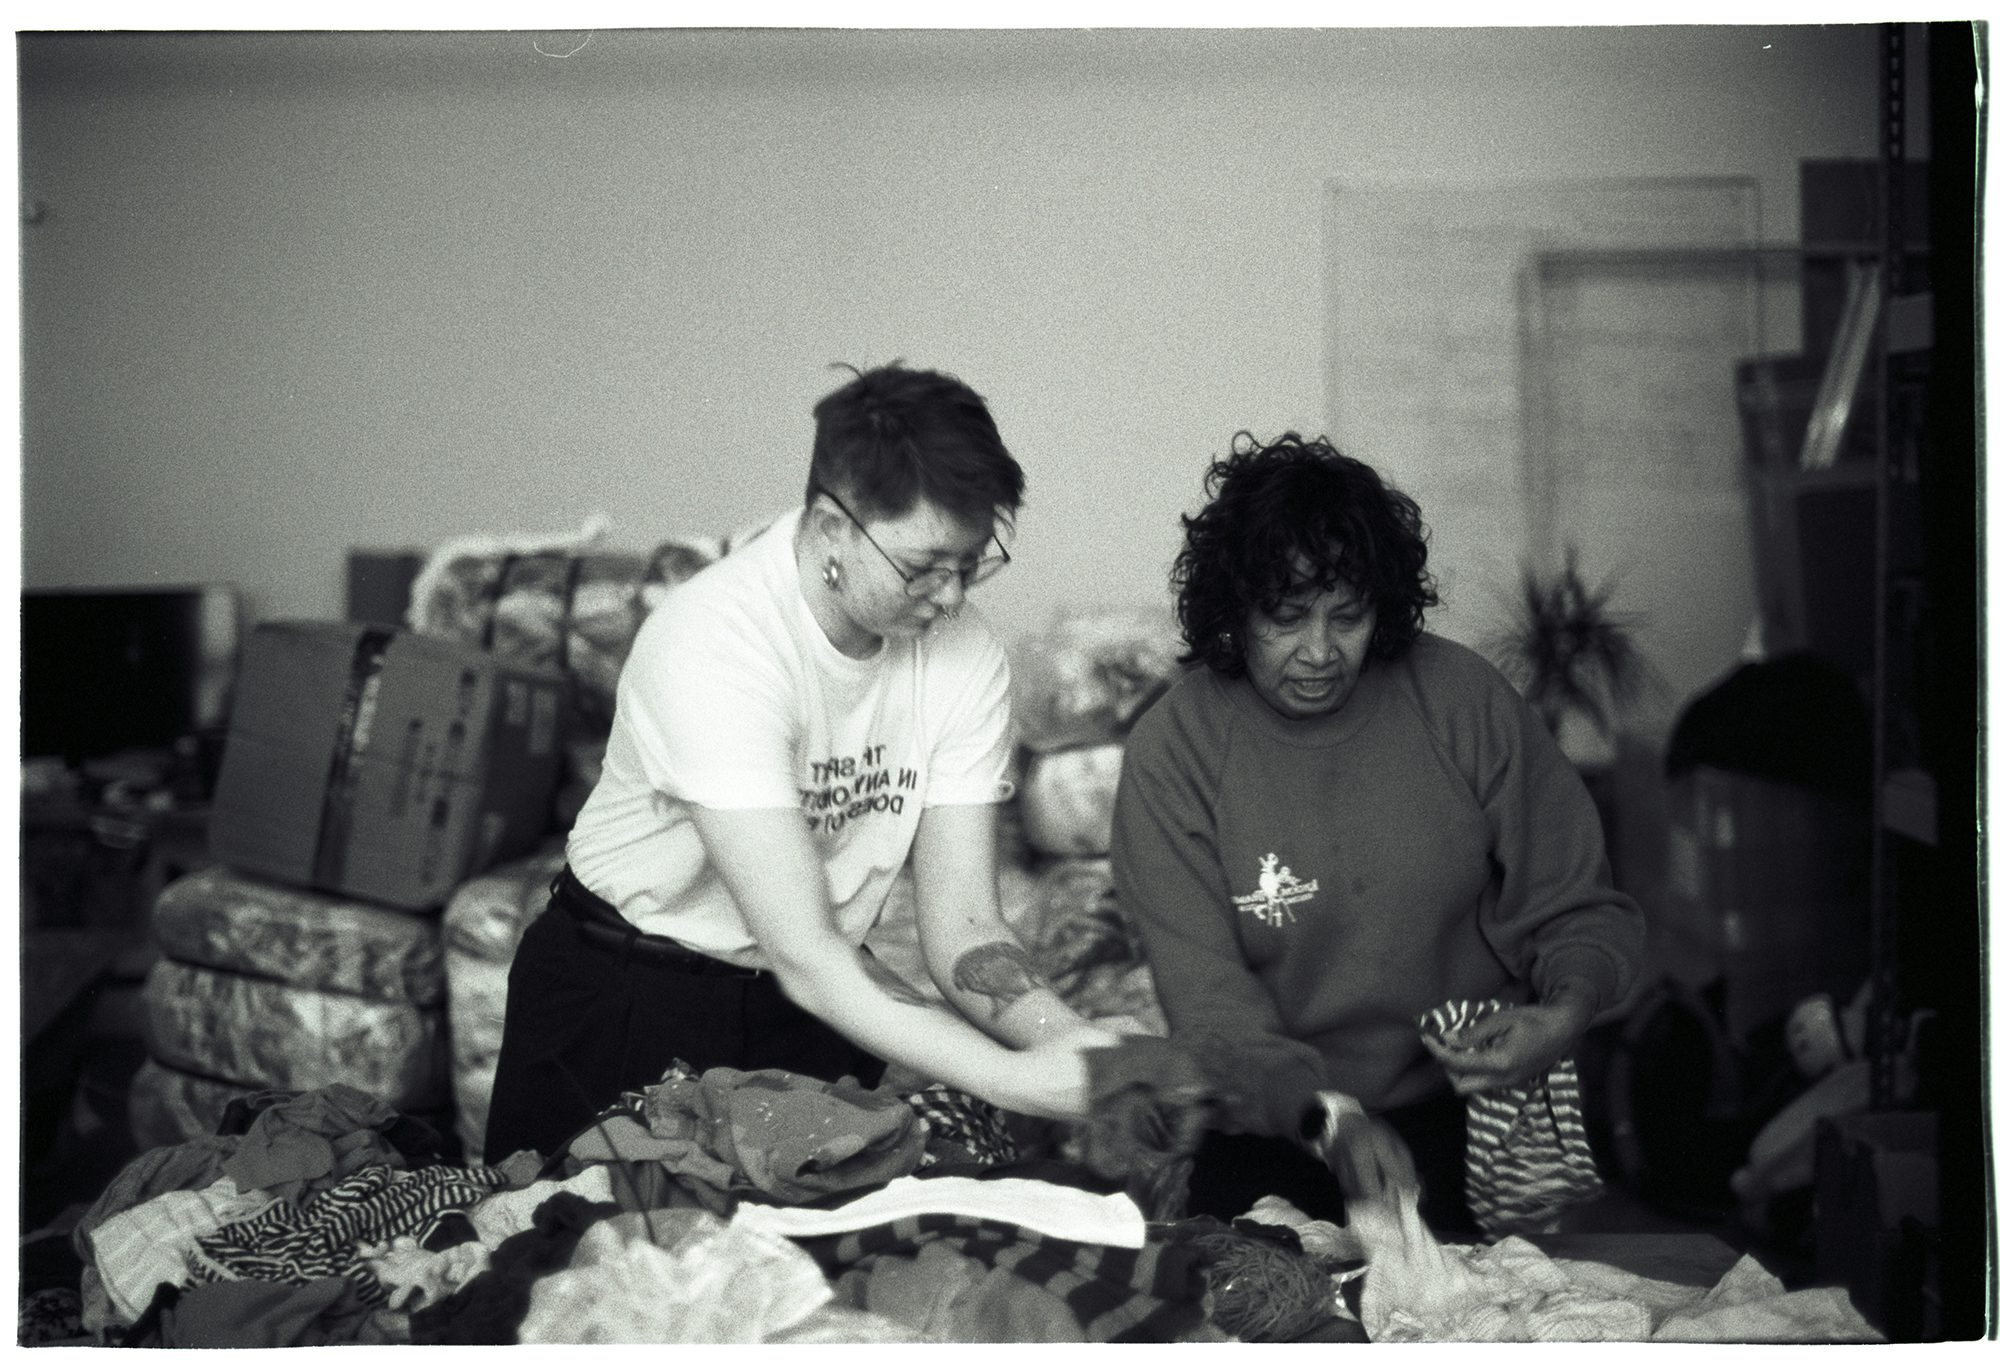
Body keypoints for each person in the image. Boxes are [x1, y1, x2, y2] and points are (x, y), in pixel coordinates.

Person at [484, 363, 1122, 1162]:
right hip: (625, 996)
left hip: (808, 1010)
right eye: (924, 565)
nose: (953, 596)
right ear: (830, 529)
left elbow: (964, 923)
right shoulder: (715, 643)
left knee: (819, 1274)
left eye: (974, 560)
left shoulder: (964, 654)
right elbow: (805, 950)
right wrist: (1015, 1080)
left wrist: (1069, 1044)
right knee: (573, 1261)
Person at [1109, 431, 1645, 1235]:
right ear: (1232, 614)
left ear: (1383, 608)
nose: (1320, 651)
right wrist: (1329, 1118)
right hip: (1275, 1127)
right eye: (1286, 619)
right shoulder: (1175, 750)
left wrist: (1564, 1014)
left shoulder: (1464, 701)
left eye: (1347, 616)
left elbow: (1576, 903)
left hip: (1468, 1129)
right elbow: (1211, 1005)